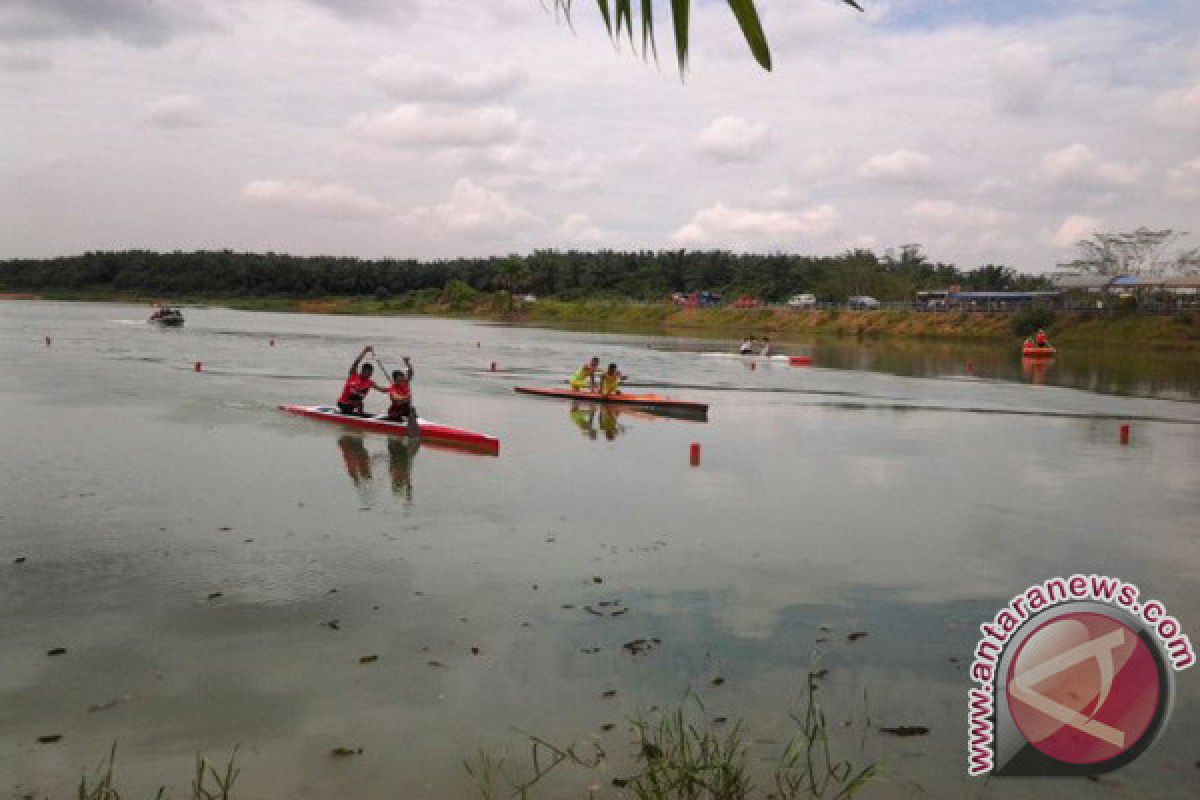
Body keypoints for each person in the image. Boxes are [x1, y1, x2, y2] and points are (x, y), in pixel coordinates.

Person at [337, 346, 385, 415]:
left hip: (355, 404)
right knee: (359, 403)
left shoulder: (370, 382)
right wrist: (364, 352)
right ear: (362, 371)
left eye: (371, 373)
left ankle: (360, 415)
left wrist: (393, 388)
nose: (370, 374)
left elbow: (382, 390)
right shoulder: (353, 375)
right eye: (368, 372)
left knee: (359, 403)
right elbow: (356, 362)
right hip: (343, 403)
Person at [385, 357, 415, 422]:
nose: (402, 382)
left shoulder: (405, 383)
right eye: (399, 380)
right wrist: (405, 397)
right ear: (395, 380)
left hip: (406, 410)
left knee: (412, 409)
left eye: (402, 380)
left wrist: (407, 362)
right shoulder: (392, 388)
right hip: (395, 412)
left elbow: (411, 372)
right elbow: (396, 397)